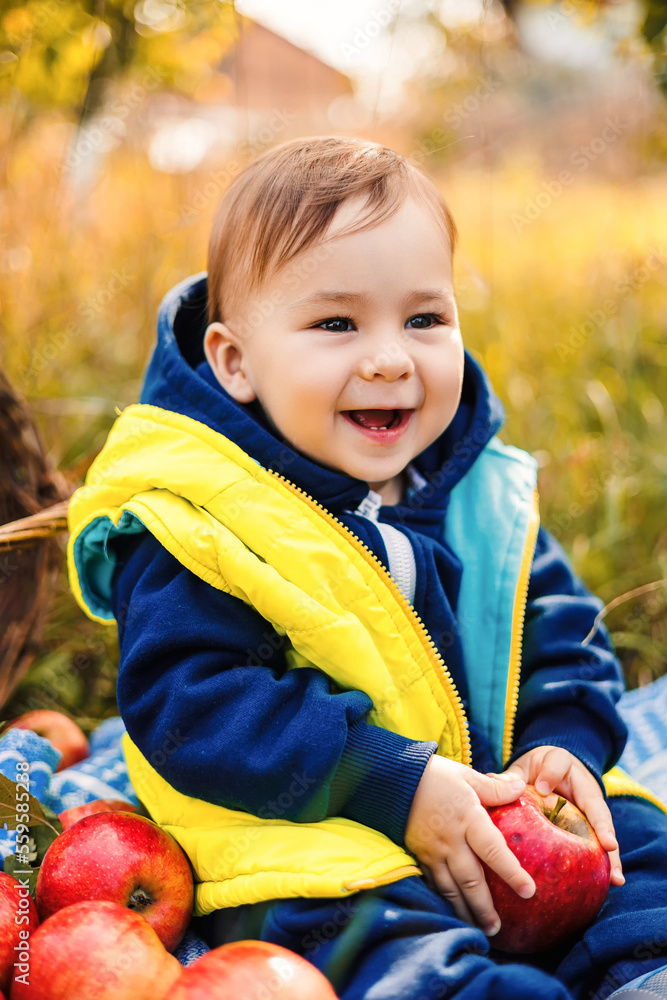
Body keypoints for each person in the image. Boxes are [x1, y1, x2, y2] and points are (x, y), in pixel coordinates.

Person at [66, 136, 667, 999]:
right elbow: (188, 703)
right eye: (337, 324)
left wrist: (559, 746)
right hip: (316, 827)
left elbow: (563, 634)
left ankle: (641, 970)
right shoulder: (201, 516)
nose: (390, 357)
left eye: (424, 319)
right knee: (356, 930)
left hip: (500, 793)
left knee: (631, 843)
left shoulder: (476, 491)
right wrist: (397, 781)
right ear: (235, 362)